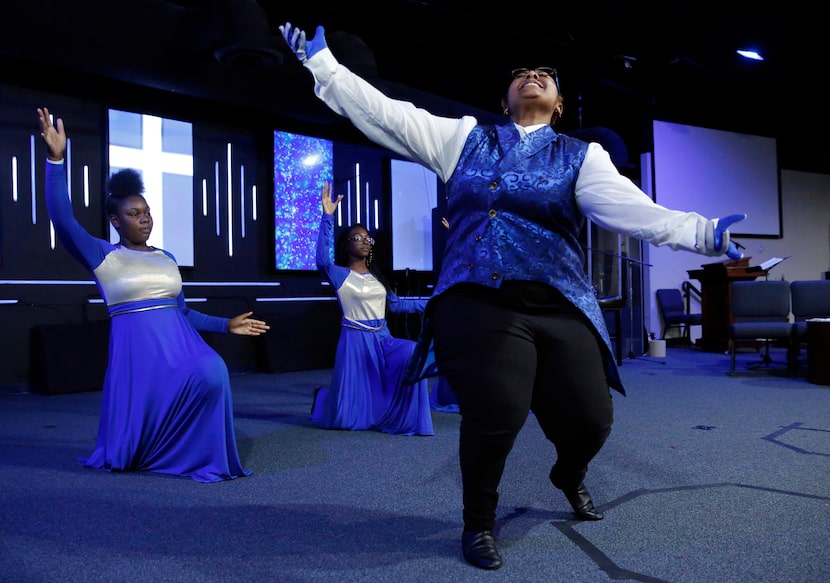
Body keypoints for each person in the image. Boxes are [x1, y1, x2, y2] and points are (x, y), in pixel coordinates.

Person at [278, 23, 746, 570]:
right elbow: (385, 112)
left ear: (560, 103)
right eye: (523, 74)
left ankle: (567, 474)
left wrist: (703, 233)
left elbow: (633, 210)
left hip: (556, 300)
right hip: (478, 299)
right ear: (504, 99)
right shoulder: (464, 138)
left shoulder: (580, 156)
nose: (533, 77)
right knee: (495, 409)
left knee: (592, 421)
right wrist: (325, 67)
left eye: (544, 75)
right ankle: (478, 522)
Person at [37, 107, 269, 483]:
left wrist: (227, 324)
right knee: (147, 413)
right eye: (134, 213)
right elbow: (62, 219)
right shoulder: (102, 255)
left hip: (180, 346)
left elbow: (182, 313)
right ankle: (152, 450)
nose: (144, 218)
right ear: (116, 220)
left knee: (213, 373)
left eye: (146, 212)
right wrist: (56, 159)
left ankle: (196, 455)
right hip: (139, 354)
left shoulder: (167, 258)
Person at [311, 182, 434, 436]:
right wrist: (327, 216)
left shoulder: (377, 276)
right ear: (346, 244)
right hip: (355, 341)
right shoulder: (339, 274)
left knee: (413, 352)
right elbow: (322, 260)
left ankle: (404, 415)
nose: (365, 242)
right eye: (358, 238)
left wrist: (434, 302)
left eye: (368, 238)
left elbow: (398, 306)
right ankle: (325, 399)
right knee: (348, 420)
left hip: (383, 338)